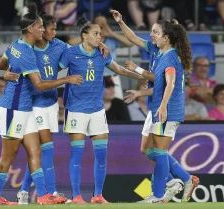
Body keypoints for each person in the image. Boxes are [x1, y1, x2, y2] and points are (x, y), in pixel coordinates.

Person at [1, 11, 109, 205]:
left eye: (52, 28)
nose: (53, 31)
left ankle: (25, 190)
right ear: (38, 30)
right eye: (50, 28)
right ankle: (51, 192)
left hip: (51, 102)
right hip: (33, 103)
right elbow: (4, 63)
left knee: (39, 151)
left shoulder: (59, 46)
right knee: (46, 148)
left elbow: (81, 48)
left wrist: (98, 43)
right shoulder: (27, 48)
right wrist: (7, 74)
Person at [0, 3, 83, 205]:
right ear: (30, 28)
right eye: (40, 26)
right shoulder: (28, 53)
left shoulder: (16, 45)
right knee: (9, 155)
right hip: (12, 108)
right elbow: (39, 85)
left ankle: (43, 195)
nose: (43, 29)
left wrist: (6, 72)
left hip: (25, 108)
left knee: (36, 150)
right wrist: (66, 79)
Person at [111, 10, 199, 203]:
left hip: (166, 110)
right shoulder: (162, 52)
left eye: (155, 32)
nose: (151, 36)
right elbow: (160, 84)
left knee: (158, 152)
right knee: (151, 151)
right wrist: (140, 93)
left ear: (165, 37)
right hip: (158, 107)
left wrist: (164, 105)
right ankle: (183, 180)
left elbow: (171, 83)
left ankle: (159, 194)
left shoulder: (168, 57)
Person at [59, 15, 144, 204]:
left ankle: (97, 195)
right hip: (76, 109)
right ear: (84, 36)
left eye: (100, 34)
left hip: (97, 110)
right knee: (77, 154)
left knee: (101, 154)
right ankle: (76, 196)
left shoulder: (103, 53)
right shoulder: (71, 53)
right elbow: (53, 70)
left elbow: (119, 70)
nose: (100, 37)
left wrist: (141, 77)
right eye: (96, 34)